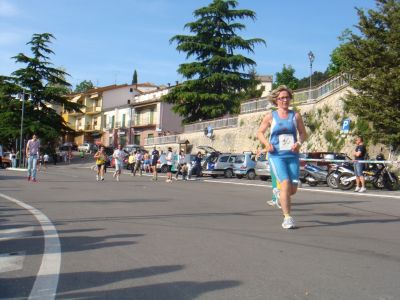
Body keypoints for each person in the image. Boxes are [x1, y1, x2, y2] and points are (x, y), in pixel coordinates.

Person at [257, 85, 307, 229]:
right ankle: (287, 217)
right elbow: (260, 132)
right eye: (281, 98)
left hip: (292, 155)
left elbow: (303, 134)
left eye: (287, 97)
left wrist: (298, 143)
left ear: (290, 99)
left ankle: (279, 194)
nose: (284, 100)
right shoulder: (270, 116)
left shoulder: (295, 116)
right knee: (285, 183)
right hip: (276, 155)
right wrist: (267, 144)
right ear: (276, 100)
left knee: (292, 190)